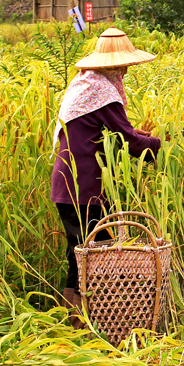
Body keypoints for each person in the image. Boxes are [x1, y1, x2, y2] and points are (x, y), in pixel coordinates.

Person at [51, 27, 162, 319]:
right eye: (123, 65)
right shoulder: (102, 92)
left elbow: (105, 128)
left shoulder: (84, 86)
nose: (125, 71)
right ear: (112, 66)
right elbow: (131, 142)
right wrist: (159, 145)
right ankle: (92, 317)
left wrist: (133, 132)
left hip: (67, 183)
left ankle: (73, 317)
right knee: (94, 251)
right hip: (82, 185)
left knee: (78, 251)